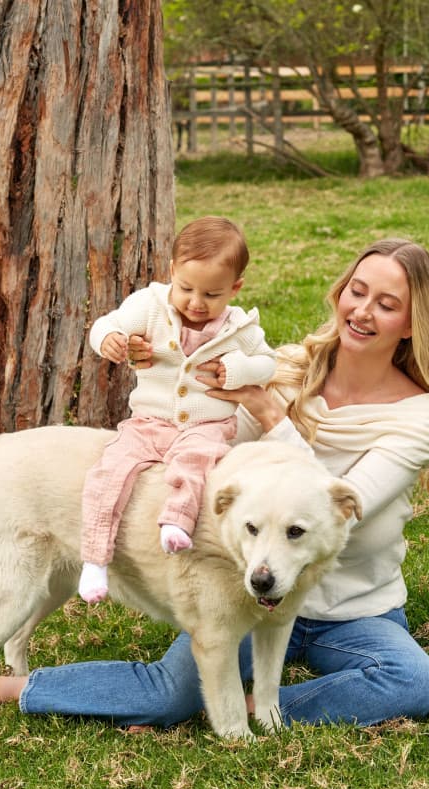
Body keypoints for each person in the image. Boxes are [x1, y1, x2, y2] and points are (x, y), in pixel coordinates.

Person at [0, 238, 429, 729]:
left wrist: (267, 411)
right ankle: (6, 688)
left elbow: (346, 504)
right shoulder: (279, 368)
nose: (363, 311)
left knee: (413, 684)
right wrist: (149, 354)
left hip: (353, 610)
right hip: (242, 587)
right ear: (339, 294)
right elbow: (193, 421)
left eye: (387, 304)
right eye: (357, 291)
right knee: (170, 694)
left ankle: (258, 705)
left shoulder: (423, 414)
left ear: (410, 322)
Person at [78, 216, 277, 604]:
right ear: (172, 273)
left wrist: (238, 370)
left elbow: (267, 364)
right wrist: (112, 340)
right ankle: (94, 559)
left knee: (197, 463)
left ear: (235, 288)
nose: (196, 303)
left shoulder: (240, 328)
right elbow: (103, 325)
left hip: (207, 423)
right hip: (149, 420)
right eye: (186, 289)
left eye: (212, 295)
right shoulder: (149, 306)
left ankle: (177, 522)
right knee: (111, 469)